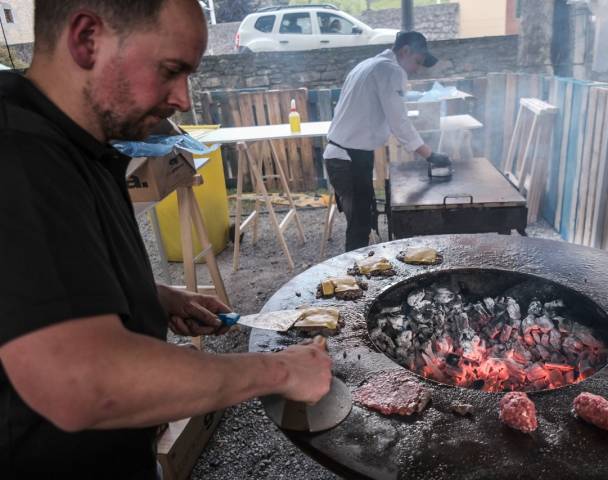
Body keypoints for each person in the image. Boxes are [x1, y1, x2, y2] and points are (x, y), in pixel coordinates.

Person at [0, 1, 331, 478]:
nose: (183, 98)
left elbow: (42, 281)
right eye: (172, 70)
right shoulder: (19, 156)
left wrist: (150, 298)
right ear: (87, 38)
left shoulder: (75, 140)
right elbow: (87, 384)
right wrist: (279, 370)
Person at [323, 31, 450, 251]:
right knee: (360, 225)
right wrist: (430, 155)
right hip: (348, 159)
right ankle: (353, 279)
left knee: (361, 220)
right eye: (417, 62)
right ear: (405, 51)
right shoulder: (391, 70)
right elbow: (399, 123)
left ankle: (357, 272)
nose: (416, 69)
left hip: (344, 155)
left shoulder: (367, 65)